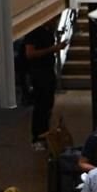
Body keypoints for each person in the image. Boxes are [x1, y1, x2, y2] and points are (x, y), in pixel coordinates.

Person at [24, 18, 67, 150]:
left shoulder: (48, 32)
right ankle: (37, 137)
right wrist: (53, 49)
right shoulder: (34, 32)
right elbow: (29, 53)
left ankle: (44, 134)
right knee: (40, 106)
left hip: (48, 72)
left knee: (47, 105)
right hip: (39, 74)